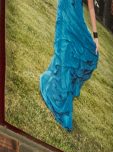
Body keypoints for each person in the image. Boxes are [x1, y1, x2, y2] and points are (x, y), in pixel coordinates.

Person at [39, 0, 101, 132]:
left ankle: (58, 92)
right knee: (64, 58)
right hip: (64, 14)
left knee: (89, 54)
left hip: (77, 21)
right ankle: (61, 104)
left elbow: (90, 7)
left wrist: (96, 36)